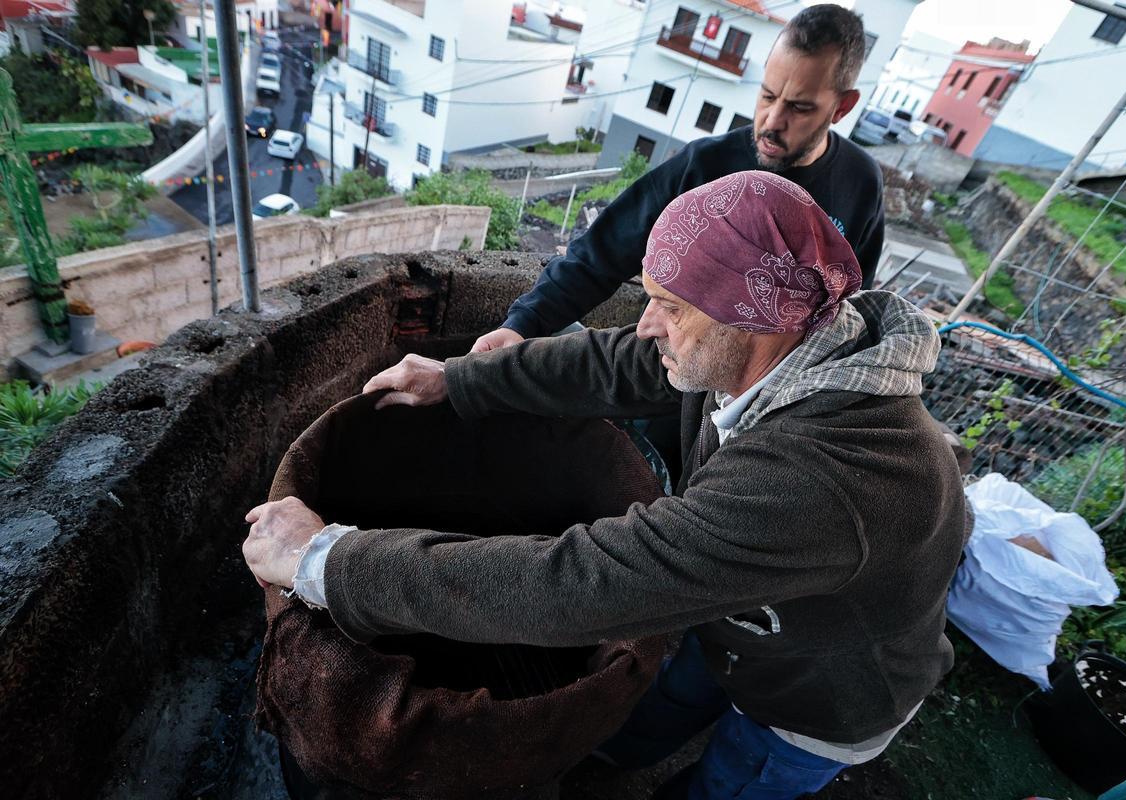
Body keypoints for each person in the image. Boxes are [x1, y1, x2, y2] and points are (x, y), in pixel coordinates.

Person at [243, 171, 967, 799]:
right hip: (751, 627)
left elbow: (579, 584)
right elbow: (624, 362)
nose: (648, 323)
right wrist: (456, 378)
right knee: (670, 697)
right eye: (651, 296)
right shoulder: (776, 337)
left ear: (756, 321)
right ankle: (619, 751)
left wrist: (327, 561)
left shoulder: (819, 485)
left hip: (822, 698)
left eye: (671, 307)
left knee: (732, 782)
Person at [470, 3, 886, 357]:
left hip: (766, 402)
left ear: (842, 107)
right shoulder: (705, 164)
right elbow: (601, 252)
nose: (772, 122)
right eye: (767, 96)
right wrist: (522, 325)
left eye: (799, 107)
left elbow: (846, 312)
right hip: (671, 374)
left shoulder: (862, 185)